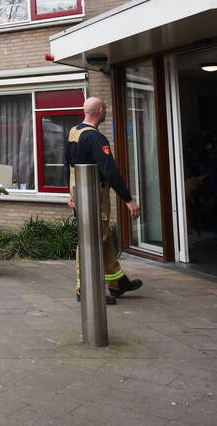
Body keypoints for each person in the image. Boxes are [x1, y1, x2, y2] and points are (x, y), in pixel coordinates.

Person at [66, 96, 143, 303]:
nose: (106, 111)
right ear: (100, 110)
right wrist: (129, 200)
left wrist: (70, 194)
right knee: (91, 241)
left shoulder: (74, 132)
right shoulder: (96, 138)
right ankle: (86, 290)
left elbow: (68, 165)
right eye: (105, 108)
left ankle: (118, 282)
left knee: (103, 238)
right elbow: (110, 170)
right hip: (95, 197)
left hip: (80, 193)